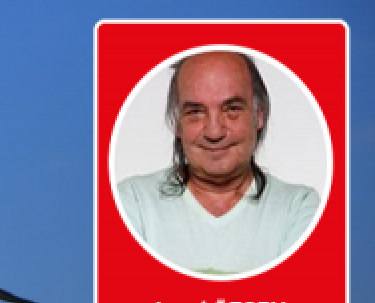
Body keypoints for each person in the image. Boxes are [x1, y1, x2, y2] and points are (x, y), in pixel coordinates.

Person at [117, 51, 320, 275]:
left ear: (259, 115)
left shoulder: (299, 208)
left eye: (232, 109)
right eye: (195, 112)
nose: (214, 132)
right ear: (177, 123)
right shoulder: (131, 203)